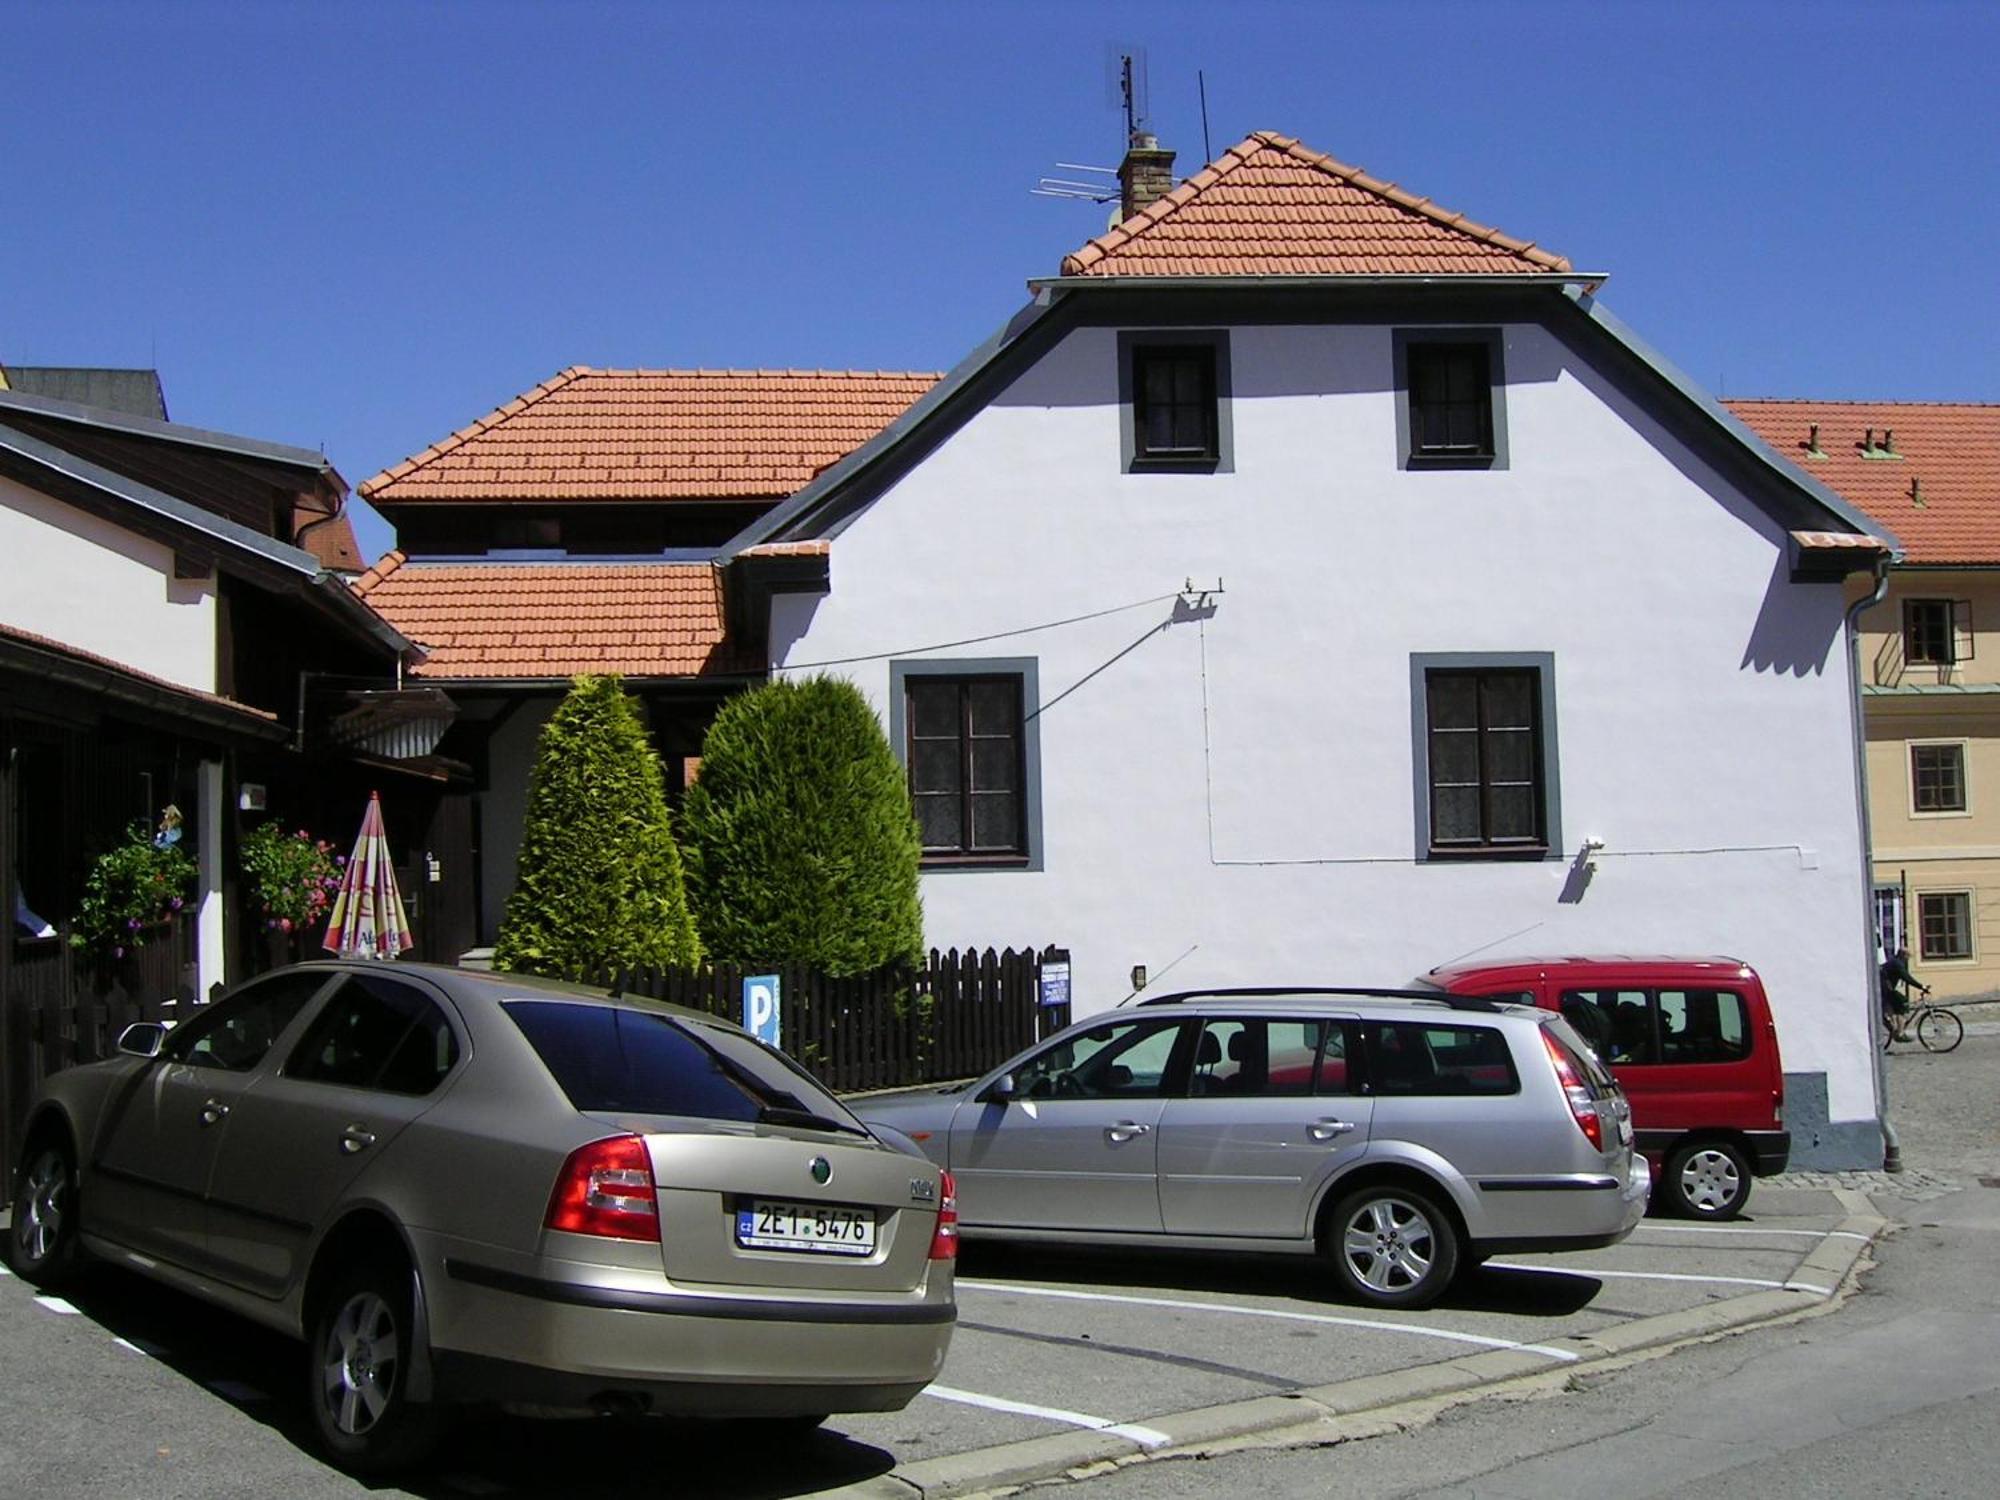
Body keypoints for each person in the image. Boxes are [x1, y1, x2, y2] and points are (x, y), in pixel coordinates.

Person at [1879, 946, 1929, 1041]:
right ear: (1903, 955)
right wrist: (1921, 986)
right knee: (1903, 1003)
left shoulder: (1895, 961)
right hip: (1885, 988)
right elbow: (1906, 978)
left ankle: (1893, 1027)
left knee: (1894, 1005)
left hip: (1884, 988)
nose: (1908, 958)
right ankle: (1900, 1034)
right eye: (1908, 956)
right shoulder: (1897, 964)